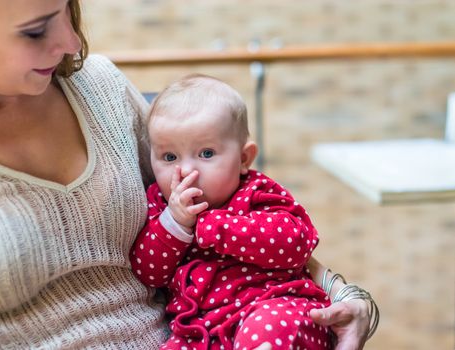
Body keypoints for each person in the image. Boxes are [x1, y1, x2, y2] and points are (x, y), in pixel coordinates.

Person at [0, 0, 376, 349]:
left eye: (68, 10)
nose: (71, 42)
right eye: (35, 29)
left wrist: (349, 299)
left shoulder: (99, 88)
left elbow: (270, 236)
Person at [131, 74, 331, 349]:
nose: (186, 170)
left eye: (206, 153)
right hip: (200, 330)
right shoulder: (161, 205)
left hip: (273, 306)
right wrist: (175, 224)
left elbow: (296, 245)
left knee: (267, 329)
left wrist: (216, 227)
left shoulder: (256, 192)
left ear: (243, 159)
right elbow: (148, 272)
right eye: (169, 157)